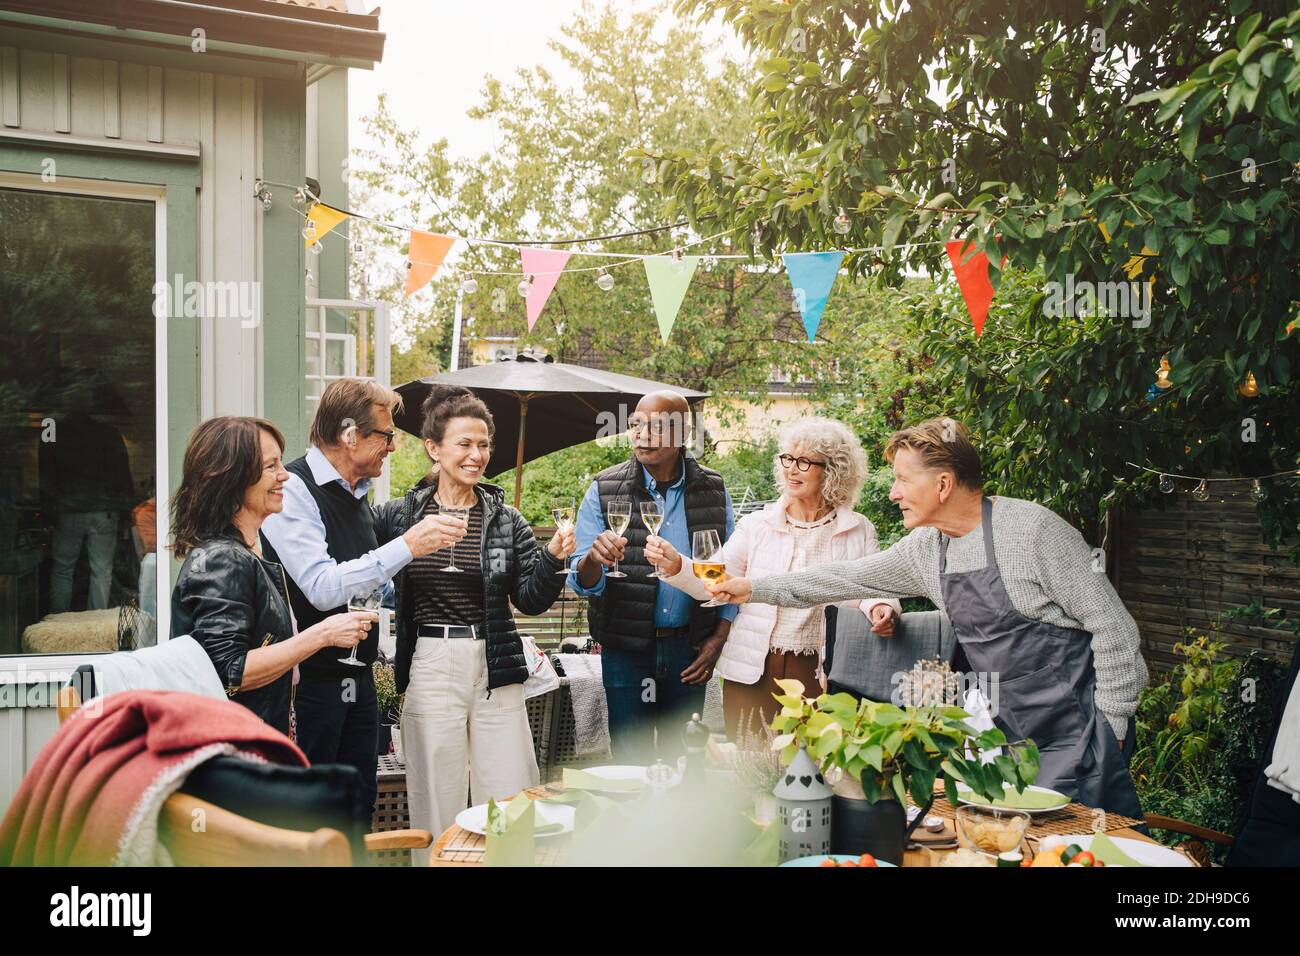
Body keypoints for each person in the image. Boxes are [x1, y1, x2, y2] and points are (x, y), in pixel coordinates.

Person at [706, 416, 1148, 819]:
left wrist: (1112, 726)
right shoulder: (927, 549)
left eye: (901, 480)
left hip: (1079, 733)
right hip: (1003, 736)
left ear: (942, 484)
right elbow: (841, 578)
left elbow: (1114, 628)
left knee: (1081, 848)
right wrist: (754, 588)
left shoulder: (1034, 533)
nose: (893, 492)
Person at [374, 385, 575, 847]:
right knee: (435, 795)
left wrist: (552, 558)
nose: (476, 454)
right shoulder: (399, 516)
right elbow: (361, 566)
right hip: (430, 661)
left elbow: (530, 600)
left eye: (483, 444)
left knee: (506, 796)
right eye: (464, 443)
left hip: (495, 664)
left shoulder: (506, 520)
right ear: (434, 448)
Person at [260, 379, 462, 812]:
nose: (392, 447)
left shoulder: (357, 496)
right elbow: (320, 587)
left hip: (357, 675)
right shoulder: (294, 489)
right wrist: (409, 545)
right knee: (312, 814)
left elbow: (366, 581)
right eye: (386, 436)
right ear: (350, 436)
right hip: (309, 683)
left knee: (357, 806)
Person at [647, 417, 900, 740]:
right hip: (756, 668)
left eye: (805, 461)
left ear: (832, 470)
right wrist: (678, 565)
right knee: (750, 767)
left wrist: (882, 607)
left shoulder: (857, 528)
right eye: (788, 459)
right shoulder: (758, 525)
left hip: (823, 671)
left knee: (817, 769)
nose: (792, 469)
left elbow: (873, 585)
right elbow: (716, 581)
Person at [170, 416, 377, 735]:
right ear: (232, 478)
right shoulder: (222, 560)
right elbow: (228, 672)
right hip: (235, 748)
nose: (285, 476)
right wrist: (322, 635)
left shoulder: (254, 550)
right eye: (271, 466)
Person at [569, 390, 737, 763]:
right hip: (627, 652)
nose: (642, 434)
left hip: (689, 649)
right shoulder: (604, 488)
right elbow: (582, 580)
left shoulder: (713, 489)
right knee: (631, 762)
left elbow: (728, 572)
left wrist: (718, 640)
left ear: (682, 434)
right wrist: (594, 559)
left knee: (687, 761)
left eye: (656, 426)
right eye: (635, 425)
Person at [41, 411, 134, 611]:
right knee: (101, 571)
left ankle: (58, 621)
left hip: (69, 510)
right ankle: (97, 622)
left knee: (62, 570)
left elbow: (47, 475)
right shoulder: (109, 433)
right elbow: (123, 474)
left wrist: (49, 512)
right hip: (103, 510)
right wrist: (125, 511)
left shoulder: (54, 432)